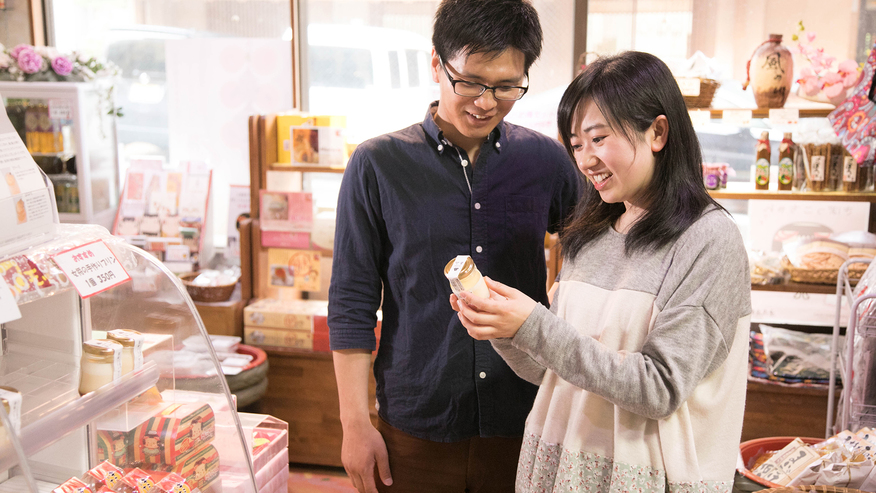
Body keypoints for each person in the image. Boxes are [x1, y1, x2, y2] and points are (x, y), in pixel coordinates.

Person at [452, 51, 751, 492]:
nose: (585, 159)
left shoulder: (709, 240)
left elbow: (658, 388)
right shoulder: (588, 234)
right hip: (563, 470)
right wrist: (503, 328)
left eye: (598, 138)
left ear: (658, 132)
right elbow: (551, 369)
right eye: (575, 145)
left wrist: (532, 325)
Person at [327, 0, 582, 491]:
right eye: (469, 81)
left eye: (506, 86)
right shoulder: (377, 164)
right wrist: (355, 425)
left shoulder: (545, 161)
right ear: (435, 65)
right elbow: (352, 303)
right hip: (418, 420)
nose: (486, 101)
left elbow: (595, 252)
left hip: (525, 416)